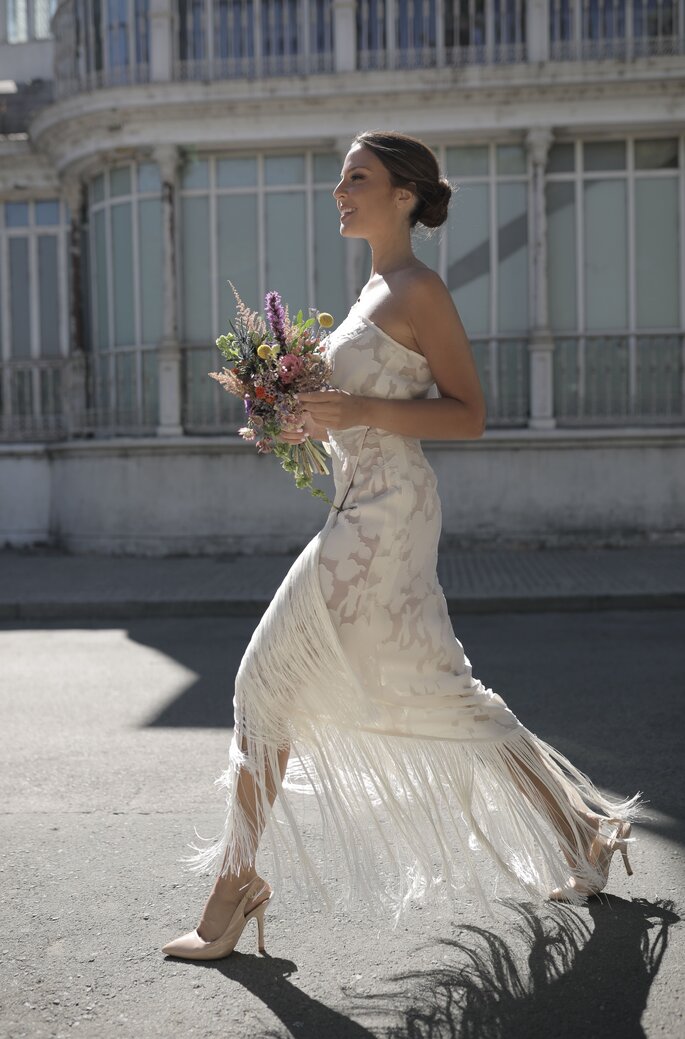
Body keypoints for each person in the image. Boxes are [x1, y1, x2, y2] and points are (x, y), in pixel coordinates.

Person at [162, 131, 642, 961]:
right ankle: (581, 827)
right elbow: (353, 405)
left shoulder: (419, 289)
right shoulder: (370, 289)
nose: (339, 189)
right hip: (360, 503)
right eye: (340, 177)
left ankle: (232, 886)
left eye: (358, 177)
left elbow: (469, 414)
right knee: (432, 692)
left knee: (265, 678)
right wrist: (293, 418)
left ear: (406, 197)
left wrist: (354, 410)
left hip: (390, 513)